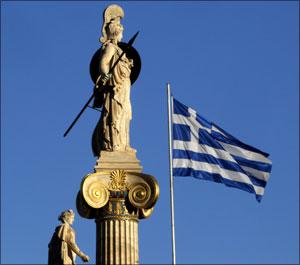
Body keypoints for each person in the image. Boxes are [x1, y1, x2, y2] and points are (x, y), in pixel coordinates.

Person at [92, 15, 135, 155]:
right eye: (121, 31)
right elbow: (104, 63)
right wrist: (106, 75)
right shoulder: (111, 47)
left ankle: (124, 143)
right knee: (116, 116)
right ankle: (114, 144)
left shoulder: (119, 50)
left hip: (124, 90)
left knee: (126, 114)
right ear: (116, 32)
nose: (122, 35)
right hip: (115, 89)